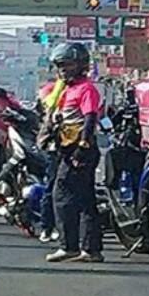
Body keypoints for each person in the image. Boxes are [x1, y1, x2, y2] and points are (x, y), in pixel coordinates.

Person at [44, 42, 104, 263]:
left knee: (62, 195)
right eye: (60, 66)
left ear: (80, 65)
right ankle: (92, 249)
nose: (63, 70)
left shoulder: (86, 89)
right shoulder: (67, 90)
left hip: (80, 151)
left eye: (67, 65)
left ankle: (68, 245)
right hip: (67, 149)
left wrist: (82, 148)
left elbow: (90, 120)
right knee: (86, 200)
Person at [35, 77, 64, 244]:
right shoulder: (52, 110)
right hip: (56, 150)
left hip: (65, 150)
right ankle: (47, 227)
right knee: (53, 188)